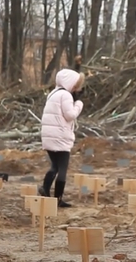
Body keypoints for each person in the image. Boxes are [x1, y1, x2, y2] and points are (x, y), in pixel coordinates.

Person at [38, 69, 85, 207]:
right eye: (76, 85)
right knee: (62, 168)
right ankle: (58, 199)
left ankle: (45, 189)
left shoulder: (53, 93)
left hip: (49, 137)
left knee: (55, 166)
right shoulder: (65, 95)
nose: (77, 88)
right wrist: (78, 105)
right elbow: (70, 115)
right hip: (61, 137)